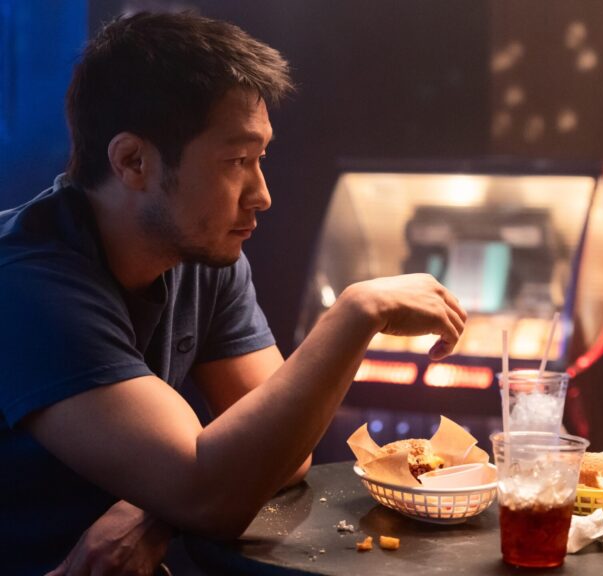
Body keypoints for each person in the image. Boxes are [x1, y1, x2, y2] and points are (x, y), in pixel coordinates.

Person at [0, 12, 466, 575]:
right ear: (132, 161)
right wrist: (356, 313)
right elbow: (210, 494)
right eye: (237, 161)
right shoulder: (28, 285)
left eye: (260, 158)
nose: (261, 194)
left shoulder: (199, 254)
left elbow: (283, 452)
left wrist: (155, 509)